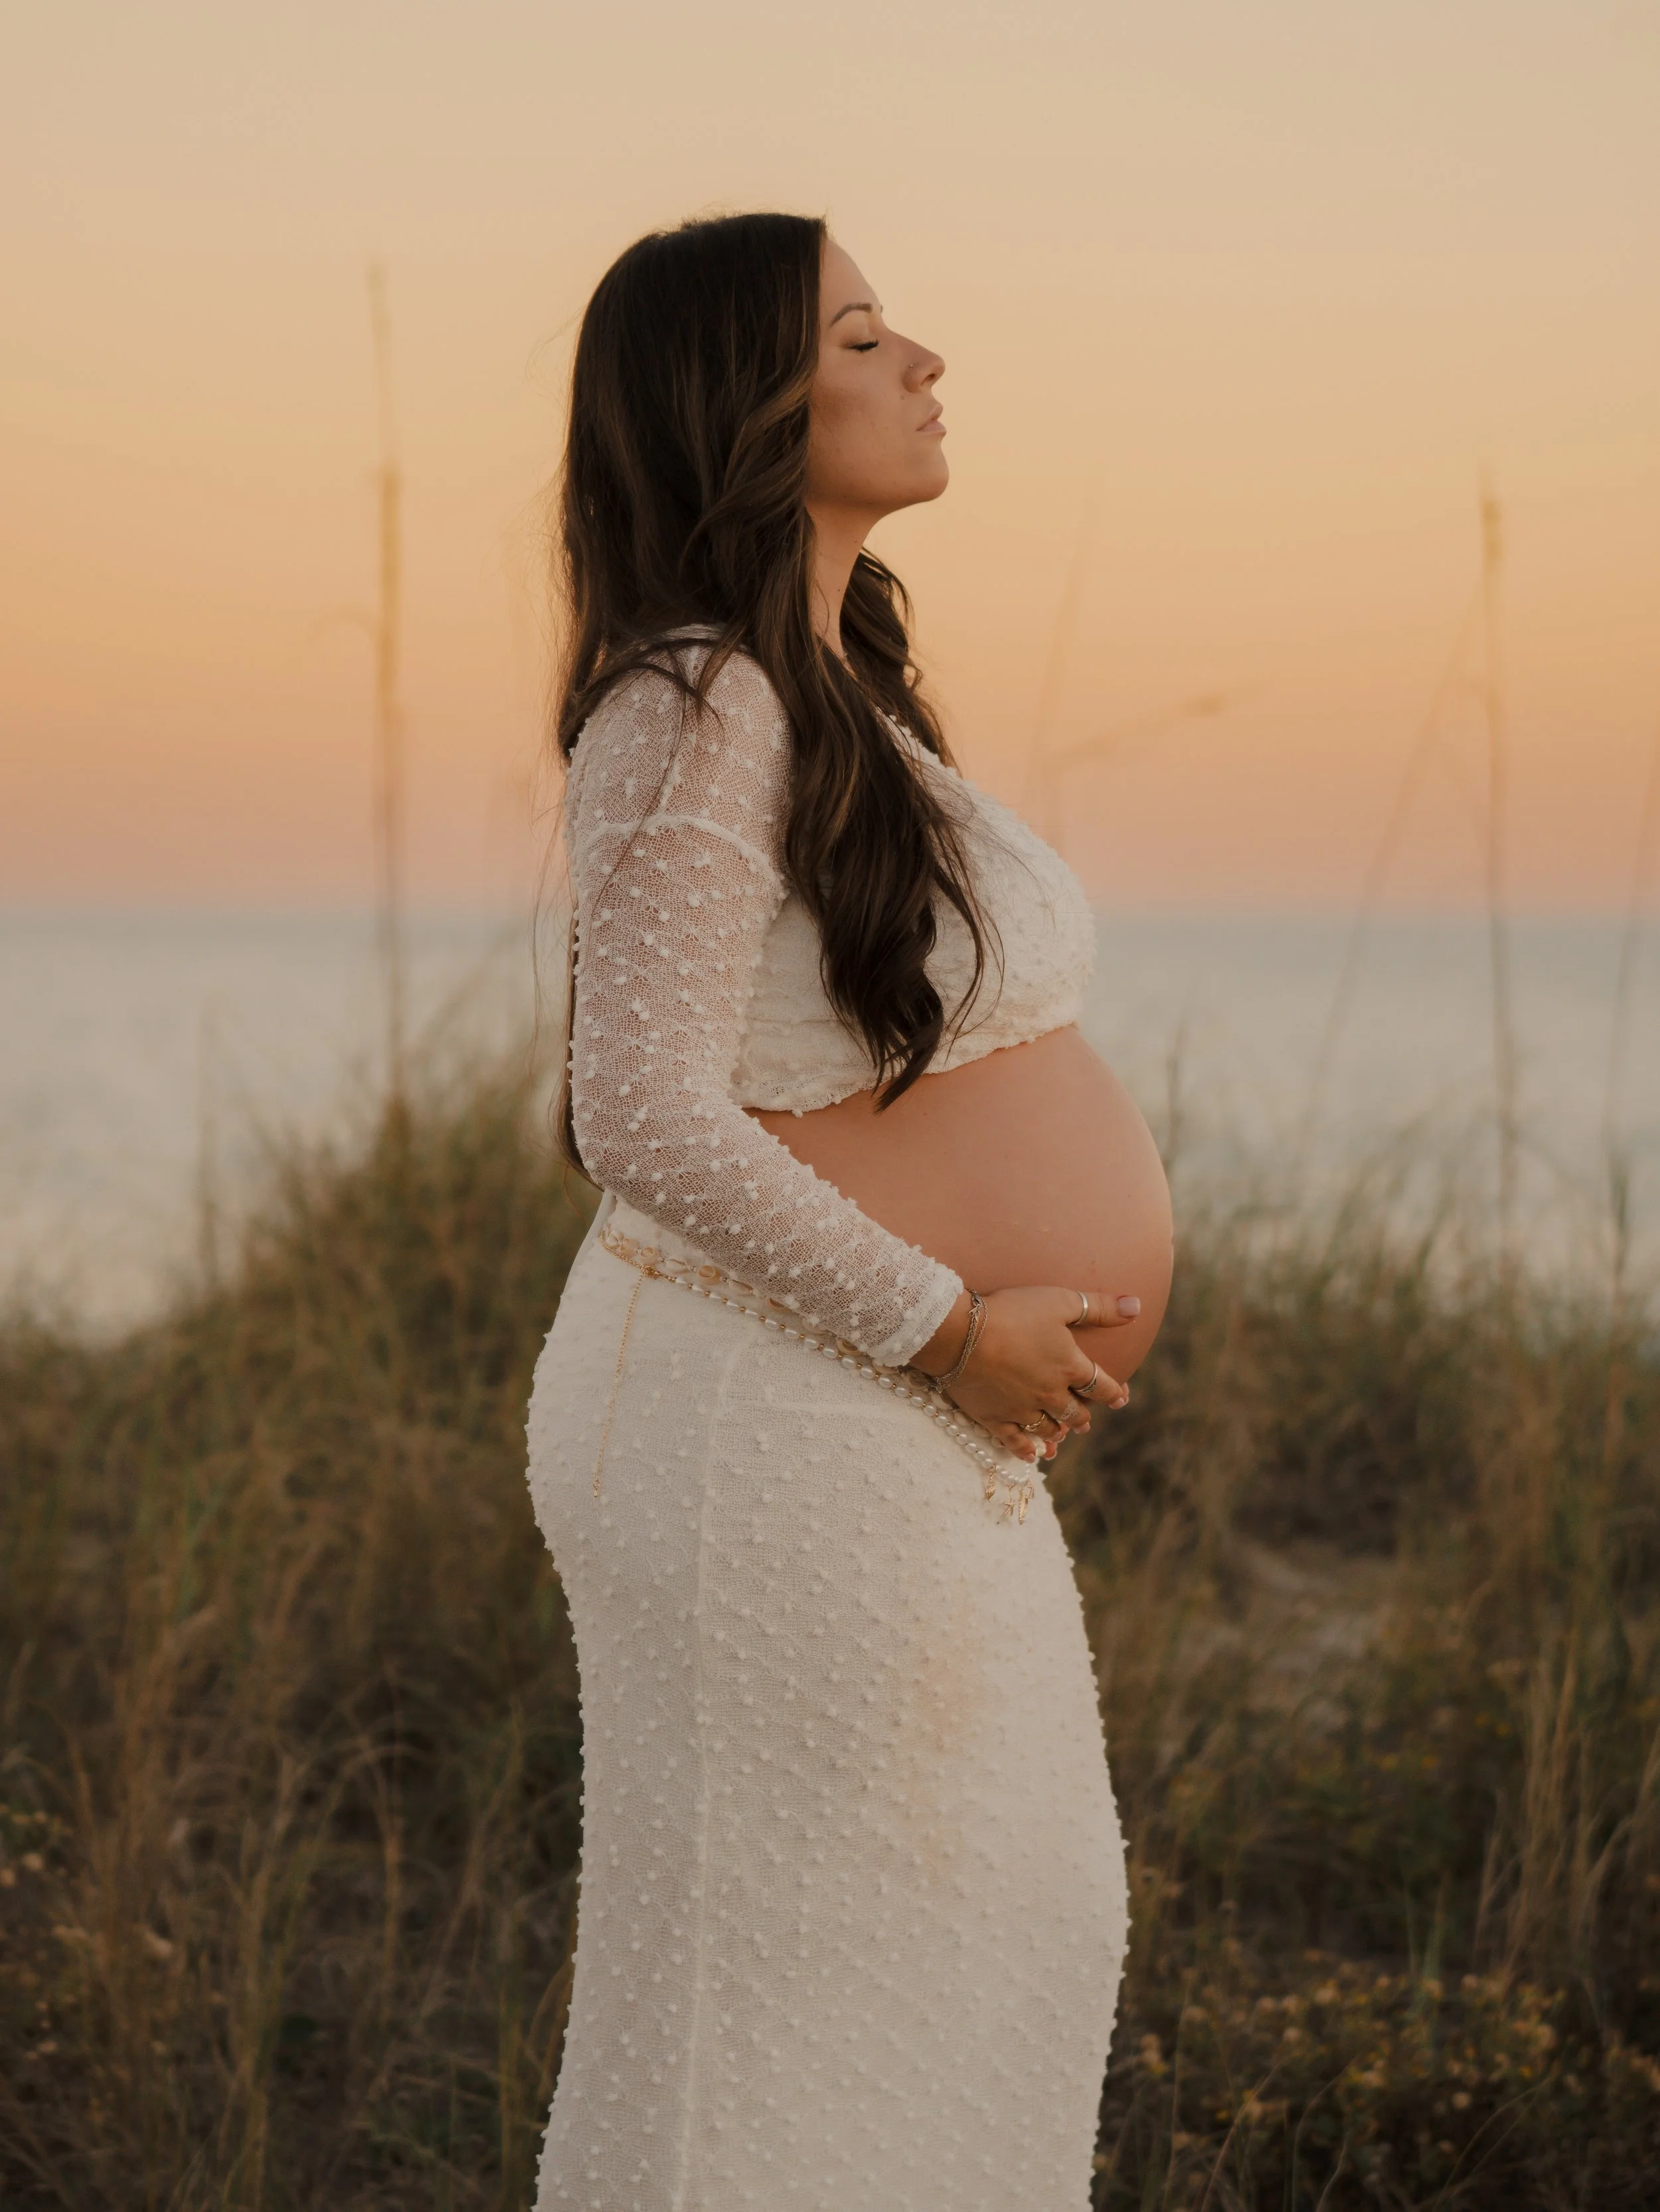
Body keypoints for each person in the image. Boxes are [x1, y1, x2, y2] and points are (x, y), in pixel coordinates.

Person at [526, 210, 1174, 2211]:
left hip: (851, 1414)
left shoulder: (819, 689)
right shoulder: (697, 699)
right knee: (803, 1995)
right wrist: (943, 1326)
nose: (924, 361)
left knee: (990, 1926)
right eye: (866, 335)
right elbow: (634, 1106)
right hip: (771, 1416)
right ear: (746, 402)